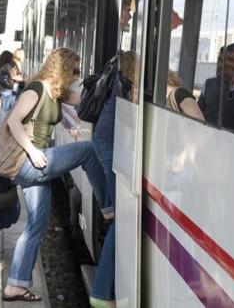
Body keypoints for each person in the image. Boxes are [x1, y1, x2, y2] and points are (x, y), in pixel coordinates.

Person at [2, 48, 109, 302]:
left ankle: (14, 286)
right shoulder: (36, 89)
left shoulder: (56, 92)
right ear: (62, 70)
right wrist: (32, 151)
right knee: (87, 151)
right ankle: (109, 207)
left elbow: (86, 100)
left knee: (36, 225)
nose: (76, 76)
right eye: (74, 71)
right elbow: (13, 122)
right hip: (30, 162)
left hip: (36, 163)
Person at [88, 51, 135, 308]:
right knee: (122, 220)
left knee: (118, 215)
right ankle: (101, 292)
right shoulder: (126, 81)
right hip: (110, 142)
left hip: (107, 140)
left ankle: (108, 207)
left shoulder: (119, 75)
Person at [0, 50, 24, 123]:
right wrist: (23, 79)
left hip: (2, 89)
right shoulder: (8, 66)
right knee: (5, 109)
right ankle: (1, 127)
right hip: (7, 90)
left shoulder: (2, 66)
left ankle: (1, 126)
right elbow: (14, 77)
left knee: (4, 108)